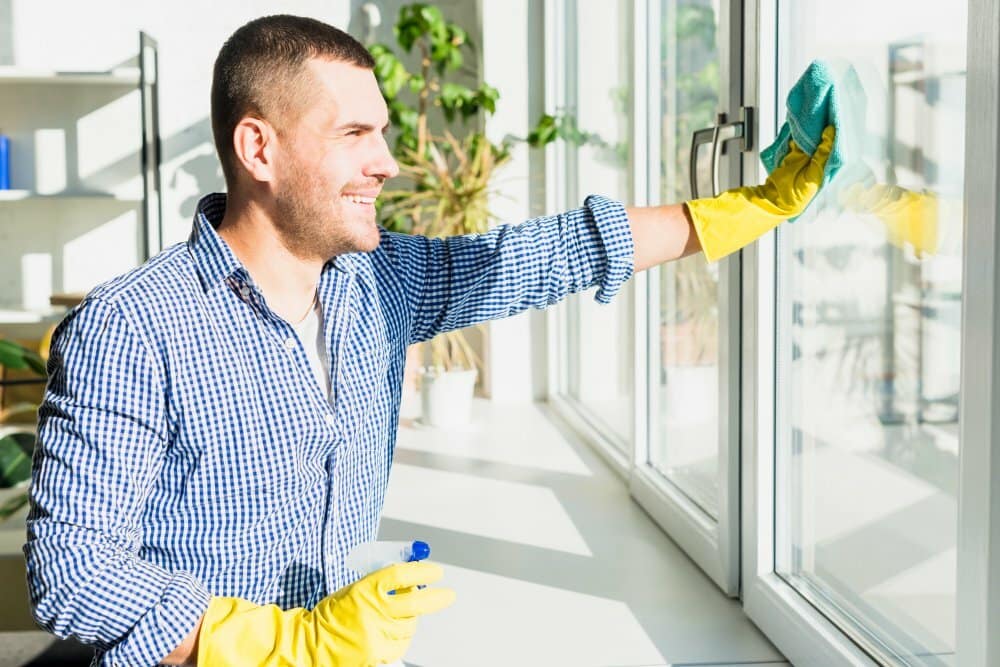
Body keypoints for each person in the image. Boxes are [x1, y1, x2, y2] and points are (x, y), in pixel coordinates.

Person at [23, 14, 834, 667]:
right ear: (258, 148)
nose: (388, 162)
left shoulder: (376, 284)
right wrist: (277, 646)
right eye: (354, 134)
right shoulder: (131, 327)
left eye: (382, 133)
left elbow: (542, 257)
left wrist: (751, 206)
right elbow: (72, 569)